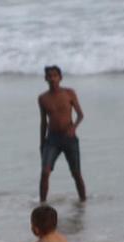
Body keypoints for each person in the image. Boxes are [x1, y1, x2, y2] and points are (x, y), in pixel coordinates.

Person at [38, 65, 86, 203]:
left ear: (60, 78)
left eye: (55, 76)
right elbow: (43, 122)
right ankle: (42, 204)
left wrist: (74, 128)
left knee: (76, 173)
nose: (52, 79)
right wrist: (42, 143)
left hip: (69, 138)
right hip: (52, 139)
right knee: (45, 172)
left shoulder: (69, 93)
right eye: (50, 76)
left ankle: (83, 203)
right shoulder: (43, 98)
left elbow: (80, 115)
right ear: (45, 78)